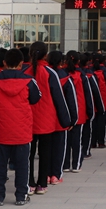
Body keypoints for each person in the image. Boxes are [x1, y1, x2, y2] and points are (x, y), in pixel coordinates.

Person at [0, 48, 41, 206]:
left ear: (4, 62)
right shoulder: (29, 81)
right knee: (23, 165)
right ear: (21, 64)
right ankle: (21, 195)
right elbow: (36, 98)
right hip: (22, 129)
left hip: (1, 128)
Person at [28, 44, 74, 193]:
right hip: (46, 118)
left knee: (28, 154)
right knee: (45, 153)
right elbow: (58, 98)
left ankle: (29, 183)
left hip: (28, 118)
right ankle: (42, 184)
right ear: (45, 55)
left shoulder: (25, 72)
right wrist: (66, 120)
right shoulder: (50, 73)